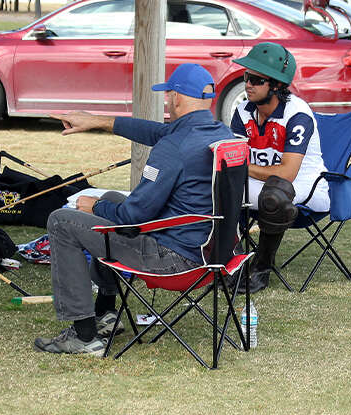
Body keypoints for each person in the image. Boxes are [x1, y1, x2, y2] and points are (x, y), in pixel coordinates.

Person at [32, 63, 233, 356]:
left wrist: (95, 204)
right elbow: (160, 132)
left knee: (63, 221)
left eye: (168, 96)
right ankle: (105, 313)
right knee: (115, 197)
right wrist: (98, 121)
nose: (167, 102)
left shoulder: (174, 147)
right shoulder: (220, 133)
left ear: (176, 98)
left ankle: (83, 336)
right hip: (213, 253)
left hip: (174, 260)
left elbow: (132, 218)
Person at [229, 42, 329, 294]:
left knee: (275, 192)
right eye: (246, 77)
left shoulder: (297, 114)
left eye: (255, 79)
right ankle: (232, 264)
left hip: (306, 188)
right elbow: (231, 161)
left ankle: (261, 268)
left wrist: (244, 167)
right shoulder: (242, 112)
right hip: (261, 183)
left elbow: (287, 173)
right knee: (219, 187)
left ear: (276, 85)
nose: (247, 84)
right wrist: (239, 169)